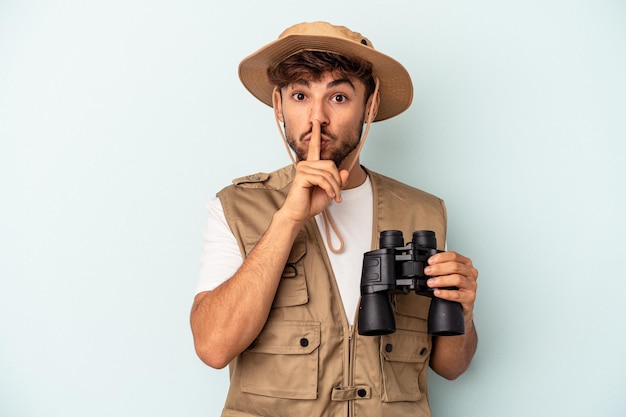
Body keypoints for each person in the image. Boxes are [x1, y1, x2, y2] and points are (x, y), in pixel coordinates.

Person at [190, 21, 478, 417]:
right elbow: (213, 346)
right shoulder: (236, 207)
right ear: (279, 105)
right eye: (300, 95)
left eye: (339, 97)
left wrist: (463, 310)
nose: (316, 118)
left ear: (370, 106)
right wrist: (288, 219)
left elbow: (449, 367)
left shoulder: (423, 212)